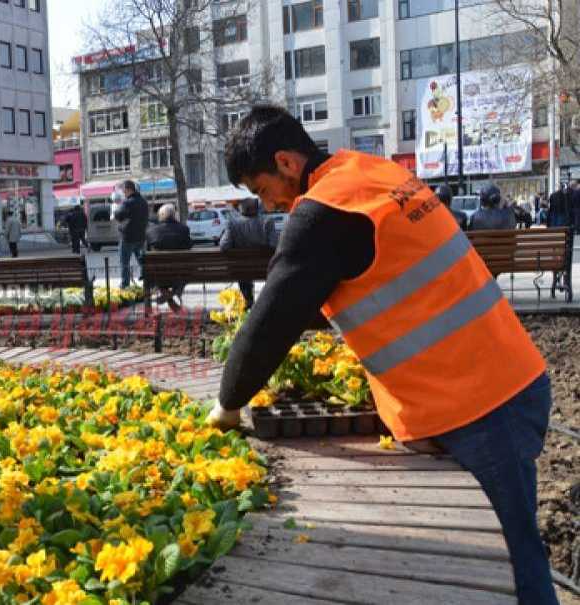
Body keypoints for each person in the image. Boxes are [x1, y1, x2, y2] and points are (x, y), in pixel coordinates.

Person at [211, 105, 558, 604]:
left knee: (517, 565)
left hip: (482, 405)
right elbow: (354, 279)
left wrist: (227, 404)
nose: (268, 204)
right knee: (510, 553)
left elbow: (273, 320)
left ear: (286, 162)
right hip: (505, 379)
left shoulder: (323, 212)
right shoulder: (371, 173)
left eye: (263, 189)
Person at [219, 198, 278, 306]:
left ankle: (248, 300)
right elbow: (274, 244)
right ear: (256, 208)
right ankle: (264, 303)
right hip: (264, 268)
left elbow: (224, 246)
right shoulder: (267, 222)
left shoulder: (232, 224)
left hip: (241, 268)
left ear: (242, 208)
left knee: (243, 271)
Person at [146, 204, 193, 311]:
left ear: (161, 215)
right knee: (185, 270)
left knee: (152, 270)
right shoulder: (184, 229)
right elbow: (189, 246)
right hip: (180, 273)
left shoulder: (151, 231)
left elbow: (145, 253)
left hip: (158, 274)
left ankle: (167, 294)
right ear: (174, 215)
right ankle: (172, 293)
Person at [113, 180, 149, 288]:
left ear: (128, 189)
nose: (123, 193)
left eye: (124, 190)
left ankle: (125, 283)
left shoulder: (127, 202)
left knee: (124, 262)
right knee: (141, 260)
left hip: (127, 237)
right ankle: (147, 279)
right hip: (141, 236)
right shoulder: (143, 201)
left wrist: (117, 210)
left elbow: (118, 215)